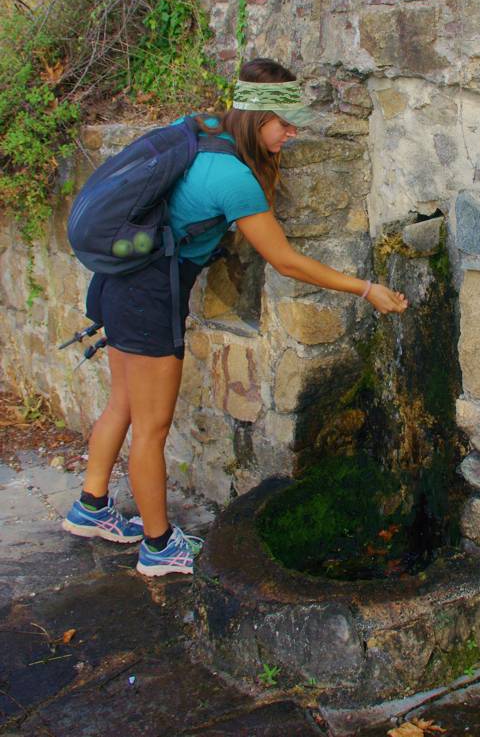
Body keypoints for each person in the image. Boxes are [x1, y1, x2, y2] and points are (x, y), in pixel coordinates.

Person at [62, 58, 409, 576]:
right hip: (150, 295)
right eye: (283, 124)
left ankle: (90, 508)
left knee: (123, 405)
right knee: (152, 428)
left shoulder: (204, 132)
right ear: (254, 117)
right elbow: (285, 260)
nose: (291, 134)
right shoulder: (233, 177)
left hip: (119, 281)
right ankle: (158, 548)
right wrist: (366, 288)